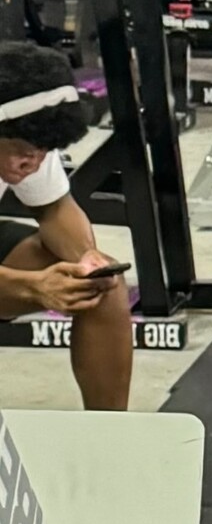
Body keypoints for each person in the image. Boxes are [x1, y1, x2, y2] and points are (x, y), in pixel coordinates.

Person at [0, 43, 132, 410]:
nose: (32, 162)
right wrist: (34, 286)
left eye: (42, 151)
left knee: (99, 288)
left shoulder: (30, 138)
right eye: (22, 149)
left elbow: (55, 207)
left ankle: (111, 435)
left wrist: (86, 258)